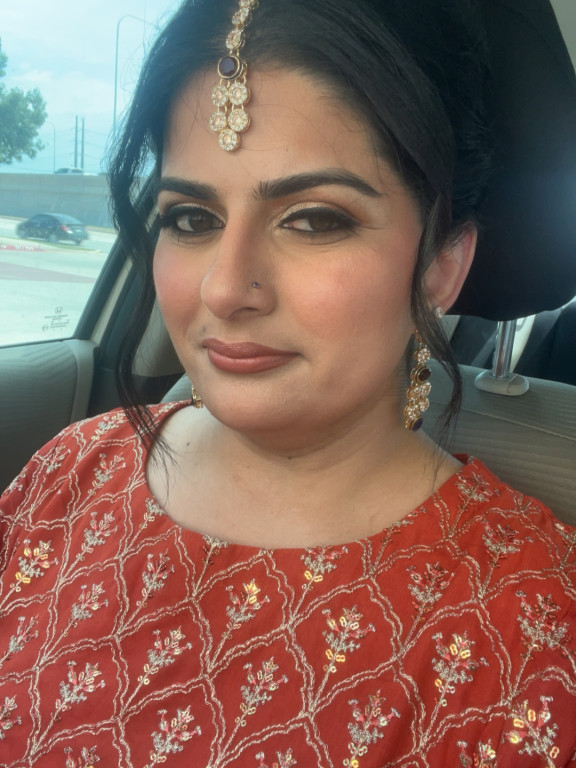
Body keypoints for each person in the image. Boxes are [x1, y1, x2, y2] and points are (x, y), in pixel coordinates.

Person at [1, 0, 575, 765]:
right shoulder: (67, 474)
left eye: (313, 219)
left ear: (440, 266)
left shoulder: (533, 623)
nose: (224, 288)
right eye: (191, 219)